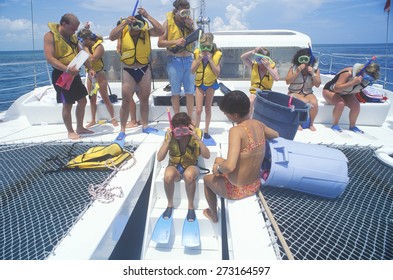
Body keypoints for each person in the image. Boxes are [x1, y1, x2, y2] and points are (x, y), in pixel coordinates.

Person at [203, 91, 279, 223]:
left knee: (206, 179)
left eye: (226, 114)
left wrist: (218, 170)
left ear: (235, 115)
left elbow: (230, 166)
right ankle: (219, 175)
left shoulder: (236, 131)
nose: (226, 116)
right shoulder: (258, 124)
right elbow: (276, 134)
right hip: (255, 184)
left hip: (237, 190)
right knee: (218, 160)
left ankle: (214, 216)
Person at [109, 8, 164, 142]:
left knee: (144, 99)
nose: (137, 28)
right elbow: (111, 37)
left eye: (140, 25)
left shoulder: (145, 31)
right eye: (135, 25)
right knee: (126, 101)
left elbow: (161, 31)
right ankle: (122, 130)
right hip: (128, 70)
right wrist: (124, 23)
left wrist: (147, 15)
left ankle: (145, 126)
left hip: (144, 69)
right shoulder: (123, 31)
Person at [44, 13, 95, 140]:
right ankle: (70, 131)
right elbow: (50, 58)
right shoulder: (50, 36)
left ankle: (80, 127)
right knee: (67, 104)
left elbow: (81, 53)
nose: (75, 31)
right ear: (63, 24)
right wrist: (67, 69)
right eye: (73, 28)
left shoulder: (72, 38)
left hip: (74, 74)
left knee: (82, 100)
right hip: (62, 75)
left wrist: (90, 68)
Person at [156, 112, 210, 221]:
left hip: (191, 165)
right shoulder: (170, 136)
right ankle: (170, 204)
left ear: (189, 128)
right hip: (175, 166)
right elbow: (159, 158)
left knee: (188, 175)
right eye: (177, 131)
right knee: (167, 176)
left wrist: (197, 138)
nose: (181, 134)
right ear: (173, 129)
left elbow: (207, 155)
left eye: (184, 130)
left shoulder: (195, 134)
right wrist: (167, 142)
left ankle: (191, 206)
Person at [158, 0, 196, 119]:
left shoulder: (189, 22)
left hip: (189, 60)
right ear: (176, 10)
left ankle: (189, 119)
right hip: (175, 60)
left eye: (187, 10)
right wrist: (175, 41)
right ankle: (178, 119)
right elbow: (160, 42)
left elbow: (196, 39)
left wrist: (191, 27)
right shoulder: (167, 23)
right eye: (183, 10)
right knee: (175, 93)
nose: (185, 12)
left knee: (190, 93)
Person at [77, 28, 118, 128]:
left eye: (82, 41)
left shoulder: (99, 47)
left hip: (99, 76)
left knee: (105, 98)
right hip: (90, 77)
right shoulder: (86, 45)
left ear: (87, 39)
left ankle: (113, 119)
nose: (81, 43)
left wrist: (85, 48)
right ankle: (93, 120)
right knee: (92, 99)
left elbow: (92, 58)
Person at [322, 62, 380, 133]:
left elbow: (355, 90)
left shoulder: (367, 80)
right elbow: (336, 88)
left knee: (356, 105)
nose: (368, 77)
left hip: (346, 93)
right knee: (340, 103)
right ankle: (335, 124)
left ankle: (352, 126)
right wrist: (352, 83)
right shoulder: (347, 73)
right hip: (330, 91)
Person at [191, 32, 222, 137]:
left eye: (207, 46)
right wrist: (199, 59)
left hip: (210, 84)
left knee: (208, 108)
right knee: (198, 110)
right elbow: (192, 70)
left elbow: (217, 72)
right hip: (200, 84)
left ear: (212, 45)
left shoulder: (217, 54)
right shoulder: (197, 53)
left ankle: (206, 130)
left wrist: (210, 60)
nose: (204, 49)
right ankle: (196, 130)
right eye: (202, 46)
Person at [285, 48, 321, 131]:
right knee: (303, 101)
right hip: (294, 92)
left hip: (307, 92)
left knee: (314, 103)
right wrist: (297, 71)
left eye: (306, 59)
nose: (304, 61)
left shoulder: (315, 70)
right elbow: (287, 81)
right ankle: (298, 123)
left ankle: (311, 123)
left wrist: (313, 74)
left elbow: (318, 84)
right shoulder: (293, 68)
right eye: (302, 59)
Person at [241, 47, 279, 116]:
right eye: (258, 59)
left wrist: (268, 67)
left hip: (266, 93)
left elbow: (276, 78)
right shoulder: (253, 66)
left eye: (262, 60)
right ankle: (249, 120)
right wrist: (253, 51)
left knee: (267, 108)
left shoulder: (272, 67)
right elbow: (243, 57)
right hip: (254, 92)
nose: (260, 63)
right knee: (250, 101)